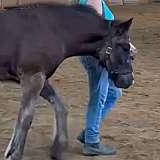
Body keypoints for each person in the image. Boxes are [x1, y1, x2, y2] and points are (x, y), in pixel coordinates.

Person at [75, 0, 122, 156]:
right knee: (99, 97)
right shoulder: (93, 0)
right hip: (97, 56)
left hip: (97, 54)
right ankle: (92, 142)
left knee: (114, 93)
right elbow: (98, 31)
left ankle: (88, 132)